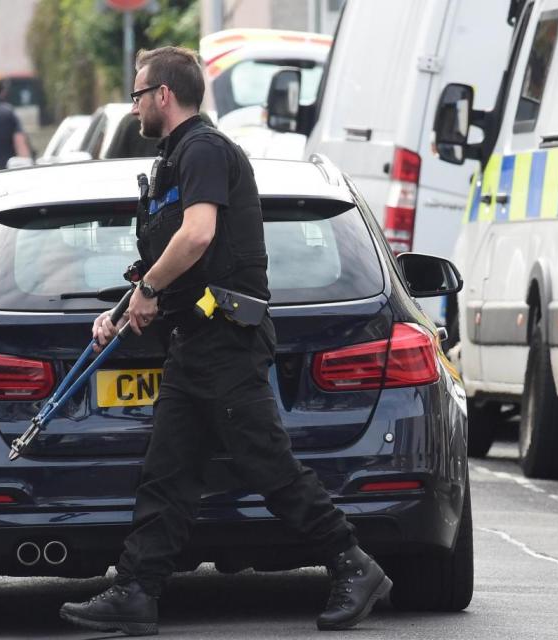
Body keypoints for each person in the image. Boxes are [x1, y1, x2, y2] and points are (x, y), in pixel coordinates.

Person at [59, 47, 392, 636]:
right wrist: (121, 308)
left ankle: (352, 562)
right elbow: (168, 261)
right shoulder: (173, 161)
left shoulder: (205, 150)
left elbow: (198, 235)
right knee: (168, 472)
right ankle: (136, 593)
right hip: (195, 344)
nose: (134, 105)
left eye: (138, 94)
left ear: (163, 94)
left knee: (266, 462)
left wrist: (151, 290)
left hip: (228, 342)